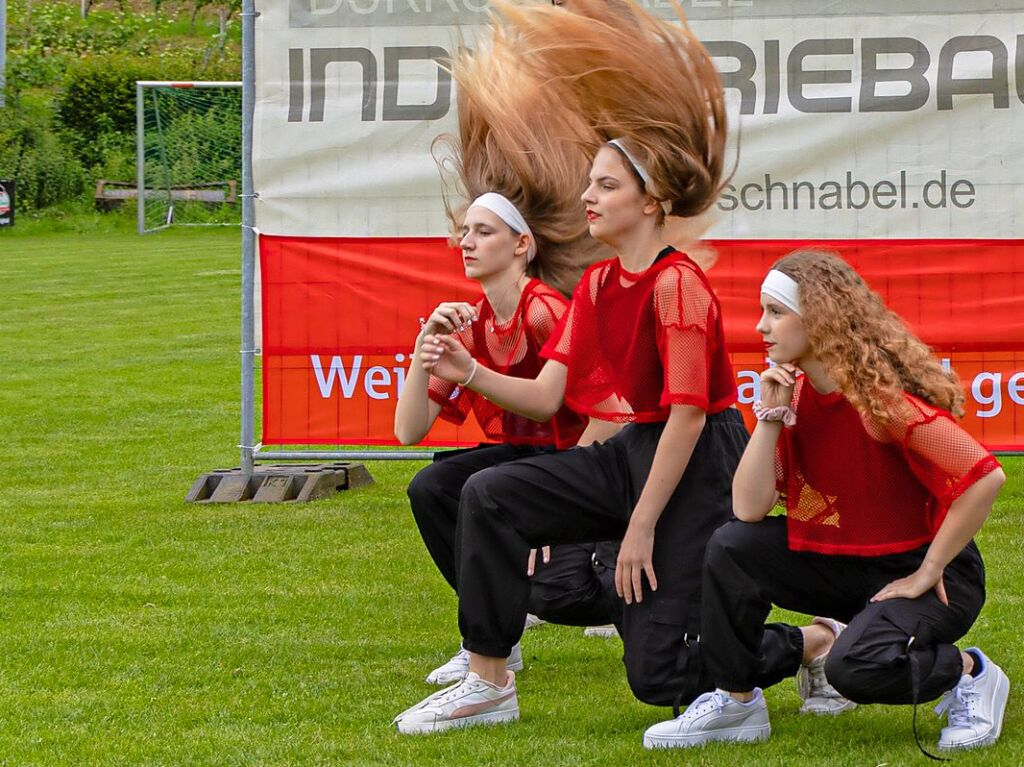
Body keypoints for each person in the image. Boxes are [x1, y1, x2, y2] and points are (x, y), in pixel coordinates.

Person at [392, 0, 751, 735]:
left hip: (698, 458)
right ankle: (489, 678)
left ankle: (815, 646)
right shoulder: (594, 284)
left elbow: (686, 415)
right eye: (587, 183)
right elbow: (550, 392)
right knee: (488, 493)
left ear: (651, 202)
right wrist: (463, 366)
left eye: (606, 186)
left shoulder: (678, 283)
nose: (588, 196)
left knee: (658, 675)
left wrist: (640, 527)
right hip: (639, 452)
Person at [643, 250, 1008, 754]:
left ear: (816, 317)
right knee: (732, 546)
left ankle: (971, 672)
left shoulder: (879, 403)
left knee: (854, 669)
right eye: (761, 311)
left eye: (775, 312)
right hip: (846, 563)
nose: (760, 326)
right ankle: (736, 699)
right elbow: (748, 509)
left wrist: (929, 569)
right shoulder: (793, 394)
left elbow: (984, 476)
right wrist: (770, 417)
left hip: (931, 575)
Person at [393, 28, 618, 688]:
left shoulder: (545, 308)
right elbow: (409, 432)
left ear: (520, 247)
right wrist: (421, 352)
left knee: (551, 569)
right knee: (433, 484)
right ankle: (492, 633)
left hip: (581, 458)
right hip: (530, 458)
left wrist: (572, 500)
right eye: (464, 231)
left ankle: (507, 633)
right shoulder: (466, 320)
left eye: (482, 232)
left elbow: (612, 411)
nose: (467, 241)